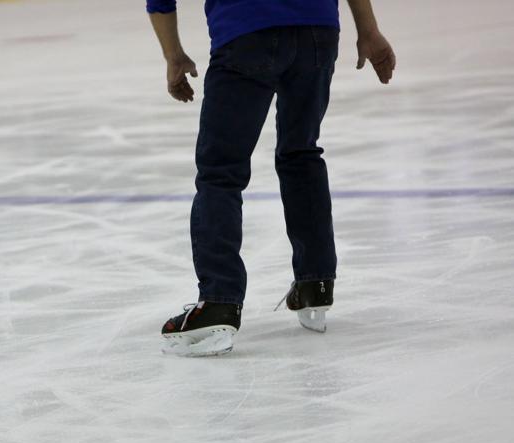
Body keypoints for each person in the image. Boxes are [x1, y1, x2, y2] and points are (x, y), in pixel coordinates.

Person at [148, 0, 396, 356]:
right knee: (301, 153)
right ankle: (315, 284)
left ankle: (219, 301)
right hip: (317, 30)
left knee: (220, 171)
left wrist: (173, 55)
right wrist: (368, 30)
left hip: (246, 28)